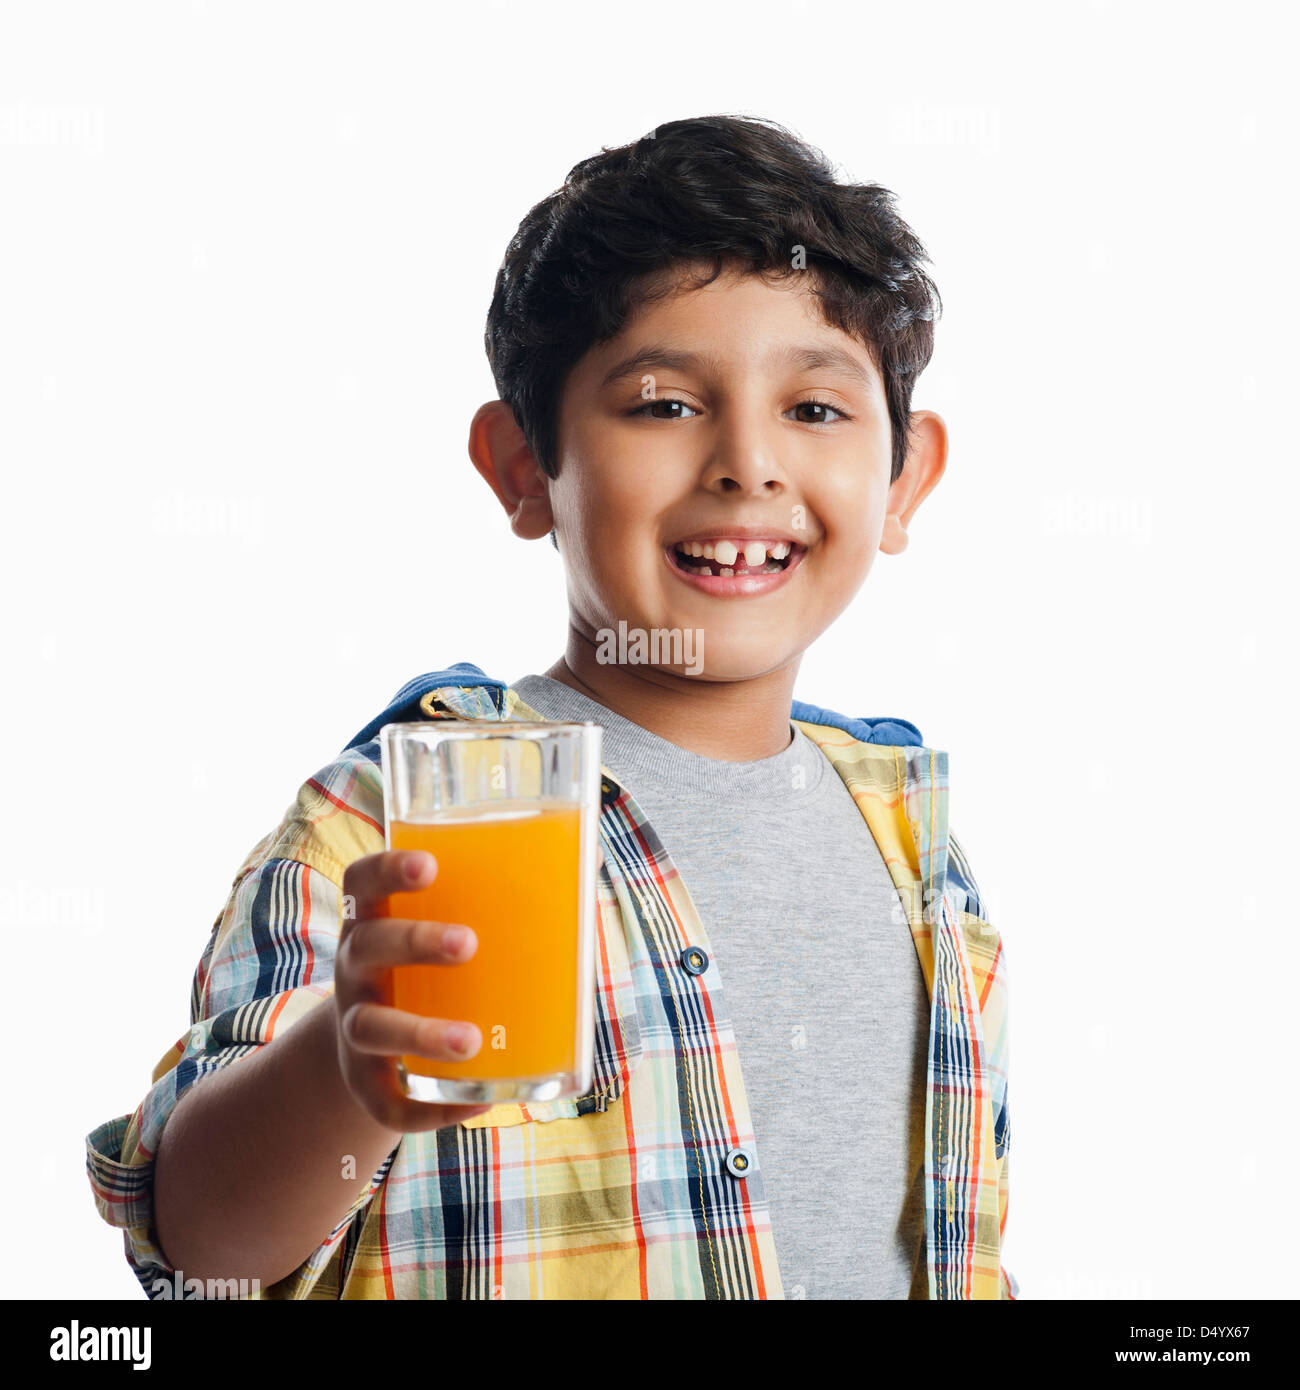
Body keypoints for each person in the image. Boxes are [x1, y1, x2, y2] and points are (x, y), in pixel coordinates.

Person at [86, 114, 1016, 1300]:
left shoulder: (911, 836)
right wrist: (344, 1076)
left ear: (903, 479)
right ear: (525, 467)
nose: (748, 463)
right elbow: (204, 1246)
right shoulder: (397, 819)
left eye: (816, 411)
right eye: (664, 405)